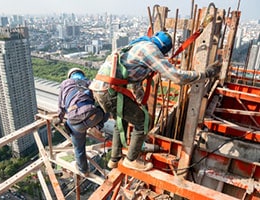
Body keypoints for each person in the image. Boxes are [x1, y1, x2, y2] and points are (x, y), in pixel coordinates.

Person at [89, 31, 221, 171]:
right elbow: (176, 77)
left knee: (121, 120)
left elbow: (135, 82)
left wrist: (140, 102)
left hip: (101, 90)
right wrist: (204, 74)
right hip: (109, 91)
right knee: (142, 121)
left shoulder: (137, 46)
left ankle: (114, 159)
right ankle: (131, 160)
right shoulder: (150, 50)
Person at [58, 68, 108, 176]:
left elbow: (61, 106)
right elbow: (101, 98)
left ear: (70, 76)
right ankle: (97, 126)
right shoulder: (89, 83)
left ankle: (83, 170)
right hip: (92, 115)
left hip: (74, 121)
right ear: (82, 75)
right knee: (106, 108)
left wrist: (60, 118)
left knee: (79, 148)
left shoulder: (65, 84)